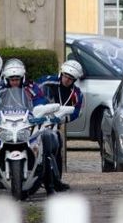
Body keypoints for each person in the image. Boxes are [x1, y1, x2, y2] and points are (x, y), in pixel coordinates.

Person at [0, 58, 58, 195]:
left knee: (44, 146)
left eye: (17, 79)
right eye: (12, 79)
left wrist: (41, 111)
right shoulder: (1, 90)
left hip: (27, 123)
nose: (14, 82)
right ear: (7, 79)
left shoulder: (31, 88)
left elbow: (40, 101)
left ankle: (50, 187)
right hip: (7, 124)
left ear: (22, 78)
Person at [36, 60, 84, 192]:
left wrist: (62, 119)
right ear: (61, 73)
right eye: (65, 76)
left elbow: (77, 111)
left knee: (57, 145)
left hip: (54, 124)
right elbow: (33, 93)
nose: (67, 80)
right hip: (37, 120)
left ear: (75, 80)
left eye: (71, 78)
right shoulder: (47, 82)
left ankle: (56, 181)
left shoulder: (76, 93)